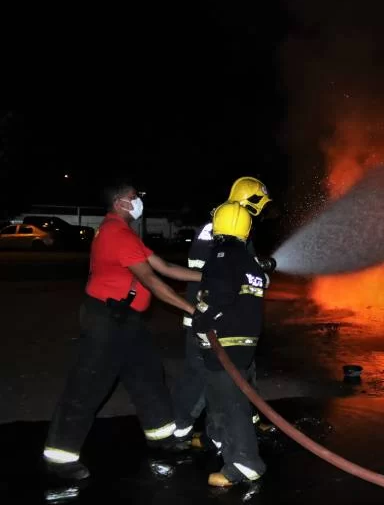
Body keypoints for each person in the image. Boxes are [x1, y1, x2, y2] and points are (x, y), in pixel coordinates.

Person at [43, 184, 202, 481]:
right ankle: (60, 459)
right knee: (87, 386)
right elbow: (153, 281)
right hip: (107, 321)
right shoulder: (117, 234)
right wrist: (193, 311)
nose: (139, 200)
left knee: (148, 377)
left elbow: (165, 266)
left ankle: (162, 440)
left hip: (126, 320)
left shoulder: (123, 233)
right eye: (133, 197)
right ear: (119, 203)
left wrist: (208, 277)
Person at [172, 177, 274, 444]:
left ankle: (241, 423)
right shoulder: (218, 229)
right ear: (248, 202)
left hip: (226, 318)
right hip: (210, 318)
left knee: (241, 373)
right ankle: (181, 429)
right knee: (203, 378)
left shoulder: (233, 226)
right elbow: (216, 271)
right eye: (259, 206)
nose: (260, 212)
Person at [191, 201, 269, 487]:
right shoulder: (248, 260)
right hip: (245, 342)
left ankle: (245, 463)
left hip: (225, 342)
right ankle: (221, 441)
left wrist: (201, 322)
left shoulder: (221, 256)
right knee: (223, 398)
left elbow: (218, 298)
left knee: (232, 402)